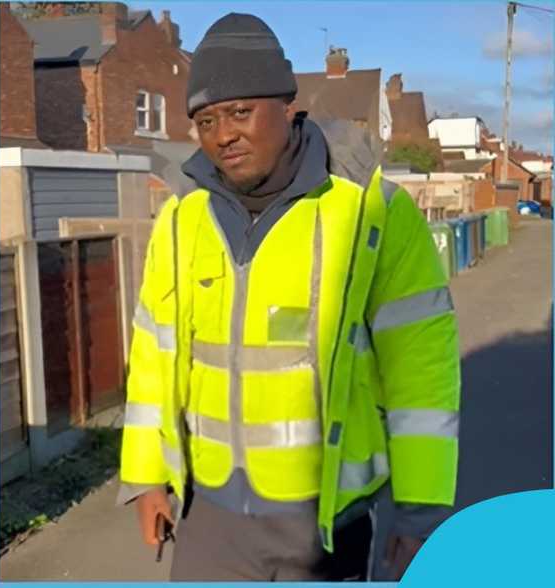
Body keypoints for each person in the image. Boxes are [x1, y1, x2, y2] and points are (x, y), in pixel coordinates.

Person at [118, 13, 459, 582]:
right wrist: (146, 476)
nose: (222, 133)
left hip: (326, 526)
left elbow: (421, 368)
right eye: (204, 120)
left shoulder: (370, 211)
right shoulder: (182, 218)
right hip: (210, 520)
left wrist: (420, 512)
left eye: (240, 111)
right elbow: (153, 357)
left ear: (286, 105)